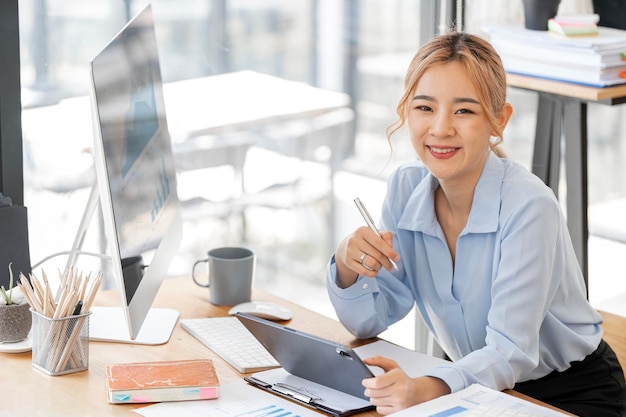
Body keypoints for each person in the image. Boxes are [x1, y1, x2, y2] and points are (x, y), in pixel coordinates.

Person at [326, 32, 626, 417]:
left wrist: (425, 389)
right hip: (474, 386)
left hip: (568, 393)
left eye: (464, 111)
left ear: (499, 119)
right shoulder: (405, 187)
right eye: (424, 107)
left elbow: (509, 350)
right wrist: (348, 265)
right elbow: (371, 319)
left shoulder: (529, 206)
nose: (440, 128)